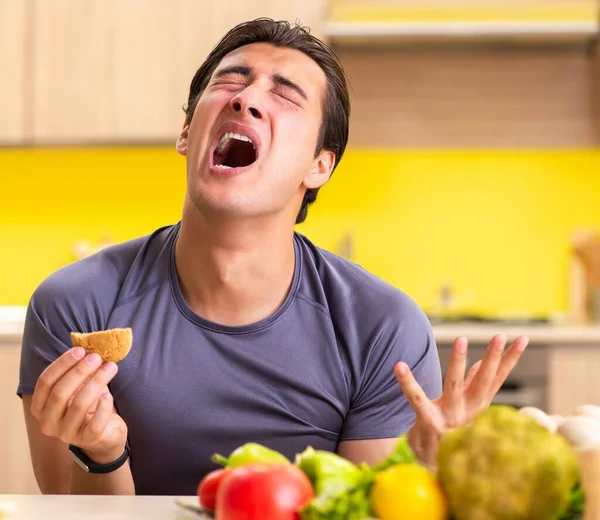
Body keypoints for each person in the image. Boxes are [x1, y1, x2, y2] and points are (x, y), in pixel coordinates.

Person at [18, 18, 528, 496]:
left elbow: (358, 508)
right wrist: (101, 453)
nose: (246, 100)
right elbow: (69, 509)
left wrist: (426, 471)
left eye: (285, 94)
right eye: (231, 81)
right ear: (186, 133)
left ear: (319, 166)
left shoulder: (383, 328)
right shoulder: (76, 306)